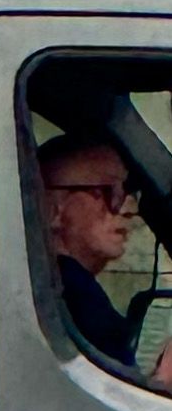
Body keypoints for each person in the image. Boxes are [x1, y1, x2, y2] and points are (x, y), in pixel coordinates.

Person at [37, 131, 155, 374]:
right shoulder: (73, 297)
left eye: (126, 191)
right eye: (106, 192)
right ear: (52, 211)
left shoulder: (50, 287)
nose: (127, 208)